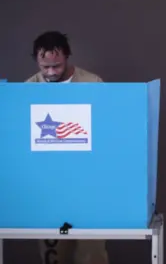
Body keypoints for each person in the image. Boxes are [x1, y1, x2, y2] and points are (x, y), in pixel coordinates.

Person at [26, 31, 109, 264]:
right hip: (48, 187)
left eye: (57, 66)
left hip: (88, 184)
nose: (51, 72)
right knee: (53, 254)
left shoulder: (93, 84)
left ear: (67, 58)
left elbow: (109, 130)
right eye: (45, 67)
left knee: (92, 253)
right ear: (37, 61)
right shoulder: (28, 89)